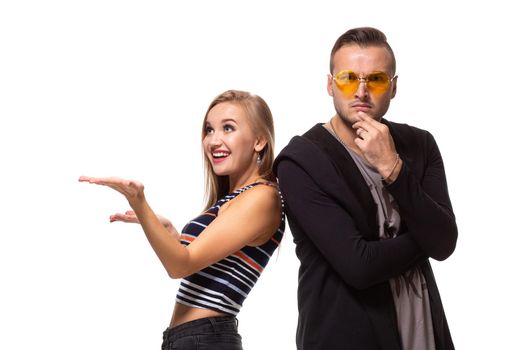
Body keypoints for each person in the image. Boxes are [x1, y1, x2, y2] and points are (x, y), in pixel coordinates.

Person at [274, 27, 457, 350]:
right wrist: (427, 235)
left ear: (394, 87)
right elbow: (360, 266)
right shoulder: (300, 161)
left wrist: (393, 168)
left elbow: (444, 243)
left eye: (375, 79)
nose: (361, 91)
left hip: (424, 333)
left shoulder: (420, 145)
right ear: (330, 85)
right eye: (348, 78)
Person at [80, 90, 285, 350]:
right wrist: (172, 234)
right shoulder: (237, 197)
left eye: (228, 128)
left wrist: (139, 202)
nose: (213, 140)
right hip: (191, 338)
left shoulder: (262, 197)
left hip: (205, 339)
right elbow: (203, 261)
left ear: (259, 141)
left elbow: (180, 266)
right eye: (209, 130)